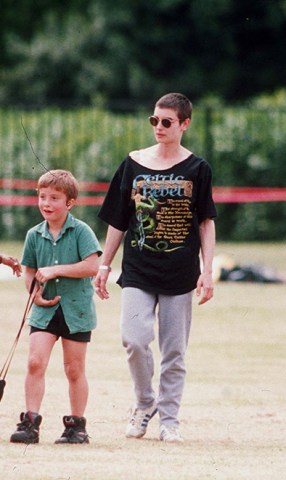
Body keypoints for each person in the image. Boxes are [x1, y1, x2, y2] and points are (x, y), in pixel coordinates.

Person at [95, 92, 216, 443]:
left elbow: (206, 222)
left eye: (167, 122)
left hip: (180, 273)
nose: (158, 127)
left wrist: (207, 271)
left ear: (184, 124)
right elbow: (118, 219)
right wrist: (104, 265)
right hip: (138, 269)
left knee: (174, 351)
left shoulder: (197, 168)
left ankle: (170, 419)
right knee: (133, 340)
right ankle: (145, 403)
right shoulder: (133, 163)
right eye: (154, 121)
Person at [10, 170, 102, 445]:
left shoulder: (81, 231)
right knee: (35, 362)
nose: (46, 203)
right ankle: (30, 423)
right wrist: (34, 292)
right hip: (44, 311)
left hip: (76, 311)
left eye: (54, 198)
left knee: (74, 370)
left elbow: (92, 266)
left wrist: (53, 270)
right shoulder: (33, 235)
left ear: (70, 203)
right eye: (42, 197)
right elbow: (29, 270)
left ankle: (76, 427)